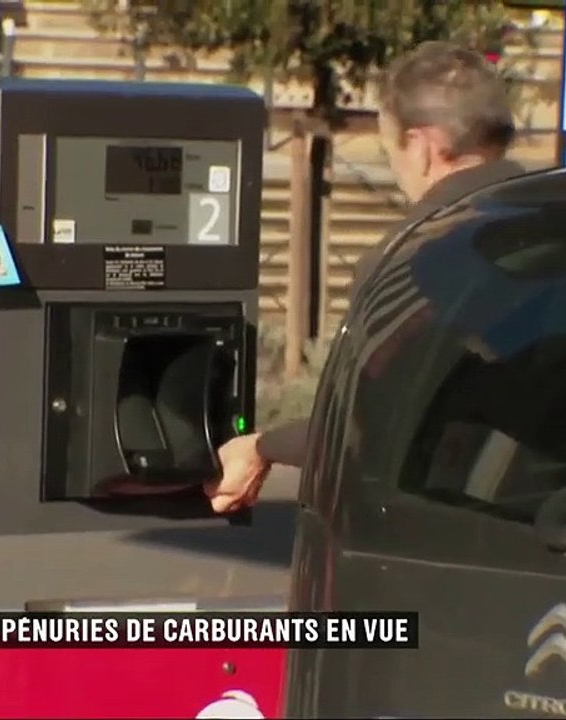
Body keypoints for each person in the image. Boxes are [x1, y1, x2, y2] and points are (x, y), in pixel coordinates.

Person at [204, 41, 527, 513]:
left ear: (420, 149)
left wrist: (260, 447)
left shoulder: (415, 258)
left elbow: (358, 428)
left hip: (449, 529)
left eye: (388, 149)